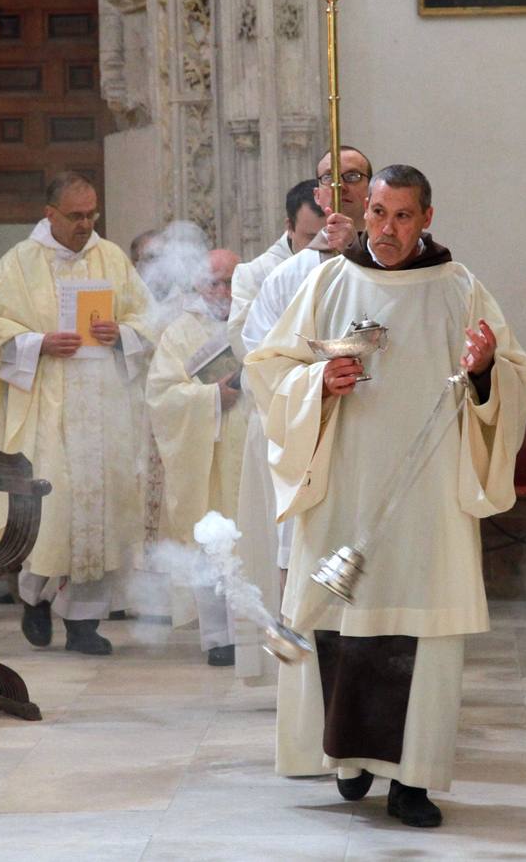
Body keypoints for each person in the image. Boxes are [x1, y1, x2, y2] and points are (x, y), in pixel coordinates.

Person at [246, 165, 526, 827]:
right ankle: (347, 760)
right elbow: (269, 370)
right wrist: (317, 381)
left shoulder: (459, 288)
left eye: (403, 216)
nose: (387, 229)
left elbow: (512, 374)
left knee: (418, 633)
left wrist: (487, 370)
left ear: (427, 217)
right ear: (362, 210)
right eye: (377, 213)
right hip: (343, 483)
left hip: (425, 497)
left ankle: (410, 782)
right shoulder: (329, 281)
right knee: (341, 627)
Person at [0, 171, 155, 655]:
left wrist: (125, 334)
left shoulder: (110, 257)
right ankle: (33, 596)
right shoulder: (19, 264)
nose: (85, 224)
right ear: (49, 214)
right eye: (75, 216)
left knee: (103, 511)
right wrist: (39, 343)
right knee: (49, 512)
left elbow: (147, 317)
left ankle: (84, 622)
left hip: (104, 405)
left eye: (92, 214)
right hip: (46, 405)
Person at [237, 146, 374, 603]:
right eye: (330, 178)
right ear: (319, 193)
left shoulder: (409, 269)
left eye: (353, 176)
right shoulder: (287, 277)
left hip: (378, 435)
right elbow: (262, 365)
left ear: (370, 189)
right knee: (309, 571)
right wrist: (319, 383)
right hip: (311, 441)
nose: (342, 185)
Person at [146, 248, 248, 666]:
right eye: (214, 282)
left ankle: (255, 633)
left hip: (251, 451)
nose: (223, 291)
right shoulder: (180, 332)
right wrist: (211, 398)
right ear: (197, 285)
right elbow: (162, 395)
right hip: (207, 455)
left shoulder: (256, 322)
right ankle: (220, 637)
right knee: (212, 540)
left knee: (251, 540)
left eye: (231, 281)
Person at [226, 179, 325, 361]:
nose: (321, 244)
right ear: (290, 227)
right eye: (311, 237)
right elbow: (242, 342)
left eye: (327, 234)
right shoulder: (254, 274)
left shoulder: (346, 261)